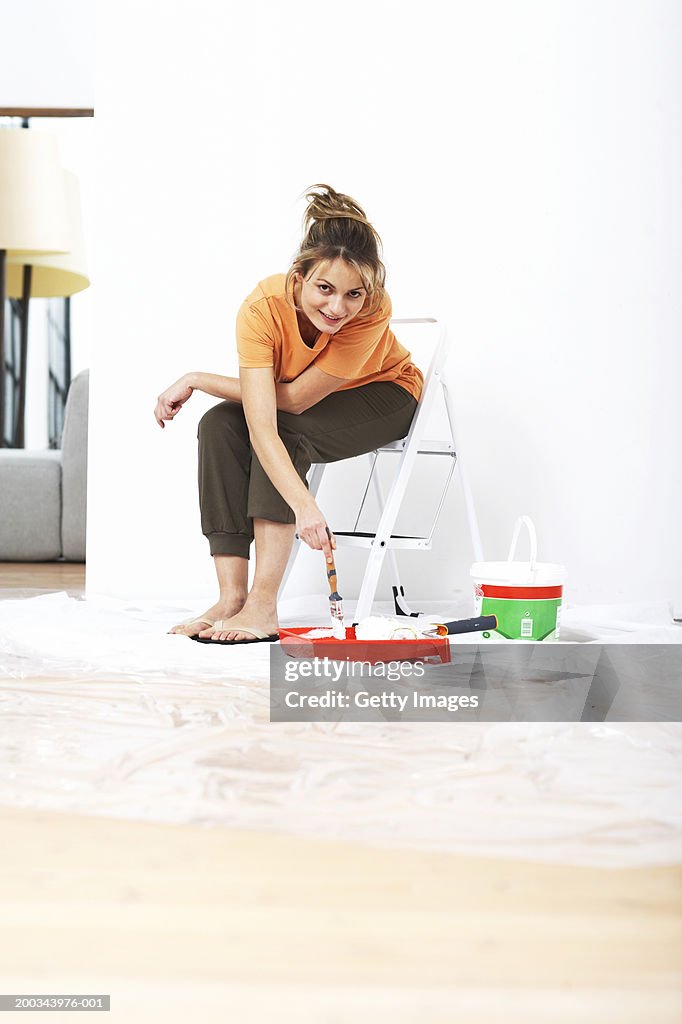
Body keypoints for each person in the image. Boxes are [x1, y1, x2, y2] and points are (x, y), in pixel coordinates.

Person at [154, 184, 423, 644]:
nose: (338, 308)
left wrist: (199, 379)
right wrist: (201, 382)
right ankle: (231, 597)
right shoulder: (262, 309)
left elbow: (293, 403)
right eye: (324, 288)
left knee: (288, 431)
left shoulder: (373, 309)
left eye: (353, 294)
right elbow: (259, 419)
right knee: (218, 424)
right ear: (298, 277)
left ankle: (263, 604)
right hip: (313, 402)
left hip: (386, 395)